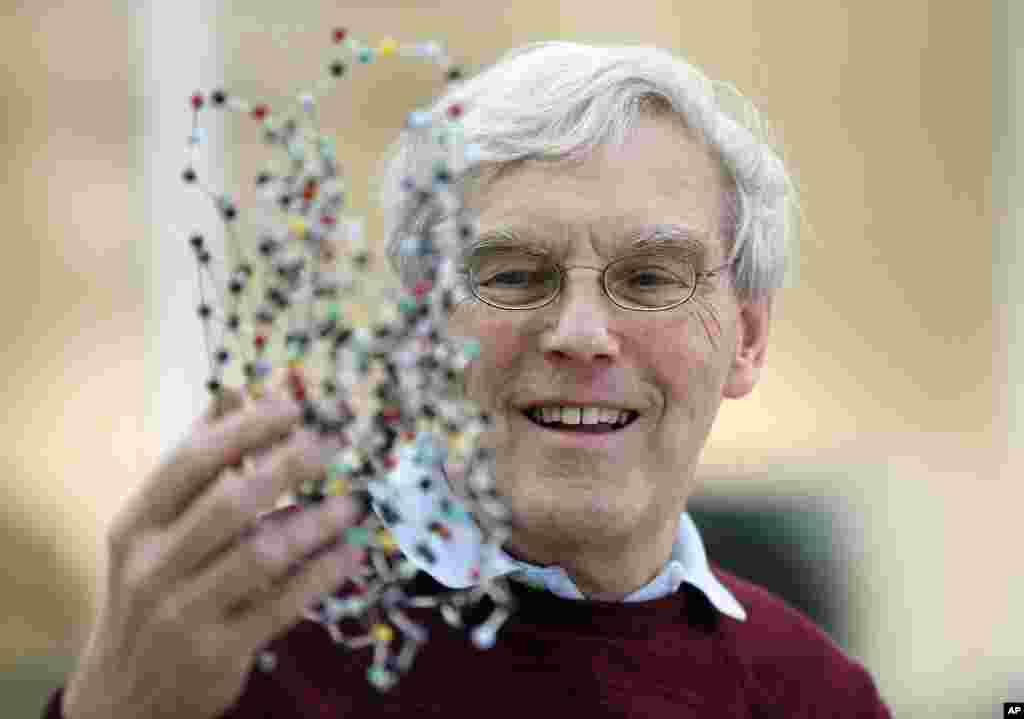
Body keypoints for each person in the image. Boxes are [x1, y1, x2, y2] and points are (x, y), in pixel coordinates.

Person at [47, 41, 893, 718]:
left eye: (649, 278)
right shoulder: (232, 650)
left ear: (745, 339)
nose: (581, 335)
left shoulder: (817, 695)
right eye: (515, 275)